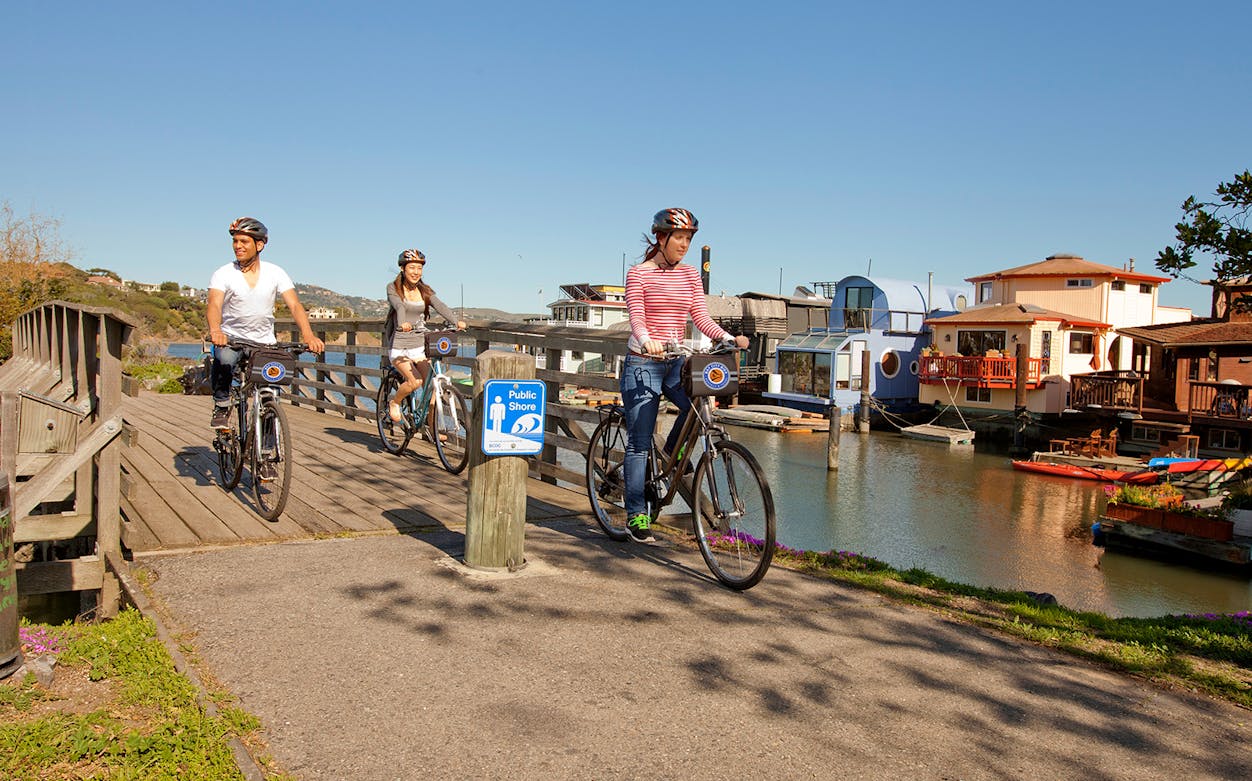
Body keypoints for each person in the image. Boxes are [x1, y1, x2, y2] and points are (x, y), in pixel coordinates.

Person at [620, 208, 749, 542]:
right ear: (661, 237)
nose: (685, 244)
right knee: (638, 440)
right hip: (644, 362)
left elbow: (701, 317)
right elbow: (637, 317)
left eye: (689, 239)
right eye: (679, 237)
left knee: (697, 405)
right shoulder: (639, 274)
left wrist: (726, 338)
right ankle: (636, 513)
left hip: (677, 361)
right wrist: (647, 341)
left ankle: (672, 455)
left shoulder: (690, 275)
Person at [207, 217, 325, 434]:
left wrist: (309, 336)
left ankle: (269, 456)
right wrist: (216, 330)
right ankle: (222, 406)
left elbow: (295, 305)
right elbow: (214, 304)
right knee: (223, 360)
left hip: (264, 343)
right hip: (232, 339)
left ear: (259, 245)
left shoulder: (275, 272)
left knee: (269, 397)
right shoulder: (223, 273)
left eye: (244, 242)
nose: (238, 246)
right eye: (235, 241)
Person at [385, 249, 465, 422]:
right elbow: (398, 306)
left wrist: (456, 320)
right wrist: (402, 323)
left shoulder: (424, 290)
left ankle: (433, 425)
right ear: (403, 269)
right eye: (412, 267)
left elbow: (440, 305)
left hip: (420, 345)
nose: (416, 272)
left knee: (433, 385)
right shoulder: (393, 288)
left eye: (419, 268)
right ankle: (395, 402)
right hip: (400, 346)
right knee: (416, 382)